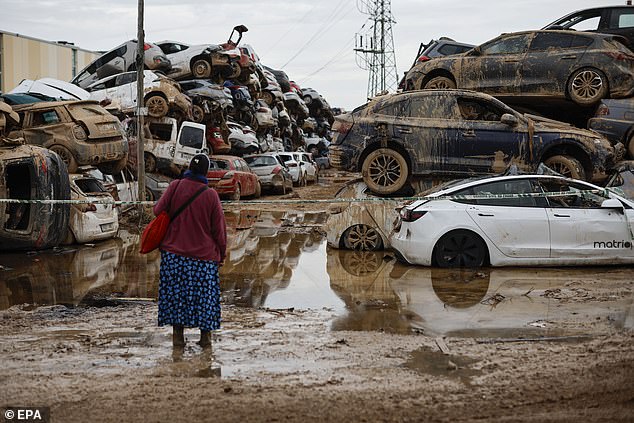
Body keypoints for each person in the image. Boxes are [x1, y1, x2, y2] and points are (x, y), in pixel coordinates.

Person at [153, 154, 227, 348]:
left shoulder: (175, 186)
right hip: (203, 259)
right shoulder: (211, 195)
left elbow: (156, 210)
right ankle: (205, 339)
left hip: (174, 257)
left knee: (176, 299)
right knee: (204, 301)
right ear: (206, 172)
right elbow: (219, 230)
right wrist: (222, 253)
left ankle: (178, 338)